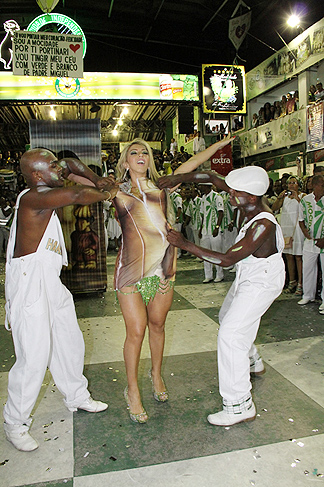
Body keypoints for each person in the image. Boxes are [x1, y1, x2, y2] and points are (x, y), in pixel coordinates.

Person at [3, 148, 119, 452]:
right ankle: (15, 422)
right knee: (34, 357)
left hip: (48, 281)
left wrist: (97, 177)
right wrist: (105, 193)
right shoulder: (34, 198)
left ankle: (76, 396)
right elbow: (77, 195)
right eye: (52, 167)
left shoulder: (46, 182)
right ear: (38, 175)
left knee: (68, 339)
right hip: (30, 285)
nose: (61, 170)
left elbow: (69, 165)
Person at [113, 137, 232, 424]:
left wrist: (217, 147)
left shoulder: (161, 186)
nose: (141, 156)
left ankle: (155, 374)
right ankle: (132, 390)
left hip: (163, 266)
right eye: (134, 153)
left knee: (157, 324)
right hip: (131, 268)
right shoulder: (114, 191)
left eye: (145, 152)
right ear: (125, 161)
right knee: (136, 331)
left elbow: (190, 165)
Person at [158, 163, 285, 427]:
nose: (229, 195)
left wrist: (184, 244)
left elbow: (227, 260)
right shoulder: (246, 199)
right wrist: (176, 178)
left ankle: (239, 404)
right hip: (249, 275)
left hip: (262, 280)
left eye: (234, 192)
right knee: (228, 316)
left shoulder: (262, 224)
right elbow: (211, 178)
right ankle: (252, 360)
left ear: (251, 197)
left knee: (230, 334)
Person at [272, 176, 305, 295]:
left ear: (298, 185)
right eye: (289, 183)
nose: (291, 185)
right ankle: (292, 282)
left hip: (297, 231)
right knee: (289, 256)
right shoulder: (285, 197)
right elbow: (274, 209)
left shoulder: (303, 196)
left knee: (298, 257)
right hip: (286, 229)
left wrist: (297, 198)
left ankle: (301, 284)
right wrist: (279, 198)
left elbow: (306, 209)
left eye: (294, 183)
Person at [298, 175, 324, 313]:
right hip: (310, 241)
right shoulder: (305, 200)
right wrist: (305, 233)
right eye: (321, 184)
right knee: (308, 268)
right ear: (314, 186)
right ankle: (308, 295)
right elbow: (301, 220)